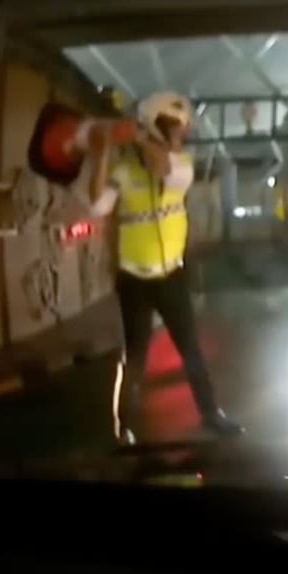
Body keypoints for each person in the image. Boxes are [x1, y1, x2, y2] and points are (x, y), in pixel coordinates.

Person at [87, 91, 242, 444]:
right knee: (135, 357)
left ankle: (211, 414)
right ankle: (123, 427)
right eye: (177, 128)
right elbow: (97, 206)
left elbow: (163, 169)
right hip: (134, 279)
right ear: (159, 127)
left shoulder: (182, 165)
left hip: (170, 275)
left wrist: (140, 136)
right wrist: (105, 150)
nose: (183, 135)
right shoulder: (124, 172)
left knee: (191, 349)